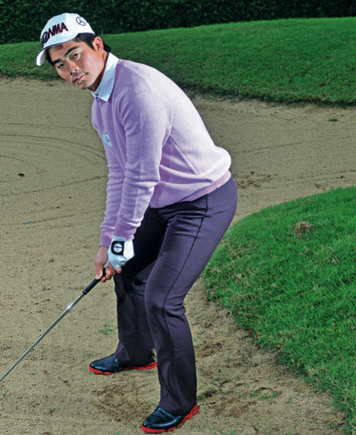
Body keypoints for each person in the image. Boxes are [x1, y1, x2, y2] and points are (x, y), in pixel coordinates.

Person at [35, 13, 238, 433]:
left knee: (163, 299)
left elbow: (142, 176)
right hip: (161, 202)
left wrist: (123, 237)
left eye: (75, 55)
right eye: (60, 64)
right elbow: (120, 174)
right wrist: (108, 241)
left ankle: (180, 402)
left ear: (98, 46)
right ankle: (134, 353)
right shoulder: (101, 102)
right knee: (125, 268)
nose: (71, 69)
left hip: (201, 201)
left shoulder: (137, 92)